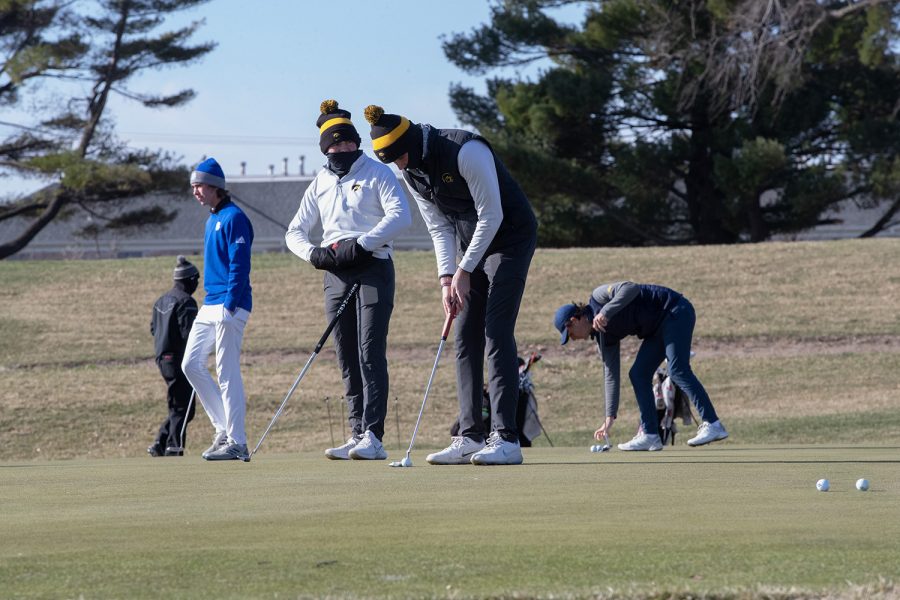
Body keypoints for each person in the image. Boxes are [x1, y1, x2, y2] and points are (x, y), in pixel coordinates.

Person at [364, 104, 538, 465]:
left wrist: (463, 269)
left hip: (510, 239)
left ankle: (506, 438)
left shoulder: (466, 151)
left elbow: (492, 216)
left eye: (400, 157)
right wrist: (447, 278)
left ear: (412, 143)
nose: (400, 166)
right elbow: (438, 227)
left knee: (496, 329)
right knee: (465, 334)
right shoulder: (413, 171)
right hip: (469, 245)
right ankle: (470, 436)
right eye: (393, 162)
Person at [285, 100, 411, 461]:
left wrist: (364, 243)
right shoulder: (321, 181)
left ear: (357, 143)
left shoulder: (377, 173)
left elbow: (401, 216)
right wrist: (315, 255)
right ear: (325, 149)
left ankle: (373, 435)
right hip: (335, 272)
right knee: (346, 355)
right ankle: (356, 432)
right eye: (335, 145)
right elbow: (294, 231)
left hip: (373, 267)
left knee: (370, 351)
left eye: (348, 143)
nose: (342, 149)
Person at [553, 282, 729, 451]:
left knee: (677, 369)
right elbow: (611, 376)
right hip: (657, 328)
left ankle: (713, 424)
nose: (573, 340)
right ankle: (650, 435)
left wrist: (606, 312)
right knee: (639, 374)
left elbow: (631, 288)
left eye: (570, 334)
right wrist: (609, 418)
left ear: (575, 320)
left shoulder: (599, 297)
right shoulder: (603, 337)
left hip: (675, 310)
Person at [181, 157, 254, 462]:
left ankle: (237, 441)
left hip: (230, 304)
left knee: (226, 371)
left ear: (215, 187)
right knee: (191, 365)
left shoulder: (235, 217)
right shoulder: (212, 219)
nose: (196, 191)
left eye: (199, 185)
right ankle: (223, 429)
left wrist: (230, 303)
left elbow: (239, 265)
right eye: (194, 186)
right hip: (210, 303)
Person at [148, 255, 199, 457]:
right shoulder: (187, 301)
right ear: (190, 280)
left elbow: (153, 329)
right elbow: (189, 334)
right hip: (178, 358)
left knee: (181, 404)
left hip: (162, 358)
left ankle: (161, 443)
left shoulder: (161, 300)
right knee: (182, 406)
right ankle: (173, 446)